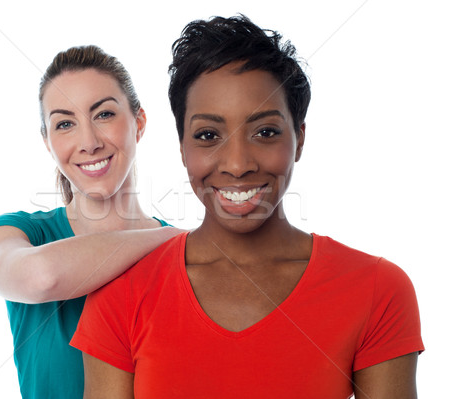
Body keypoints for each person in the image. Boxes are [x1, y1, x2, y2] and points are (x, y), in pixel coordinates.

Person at [70, 15, 424, 398]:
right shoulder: (120, 296)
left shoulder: (377, 290)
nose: (238, 164)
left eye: (265, 132)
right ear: (183, 147)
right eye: (208, 135)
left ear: (299, 138)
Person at [0, 45, 182, 398]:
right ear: (48, 142)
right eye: (65, 123)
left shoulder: (182, 257)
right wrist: (171, 238)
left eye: (103, 115)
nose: (89, 142)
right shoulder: (19, 232)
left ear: (139, 123)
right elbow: (41, 277)